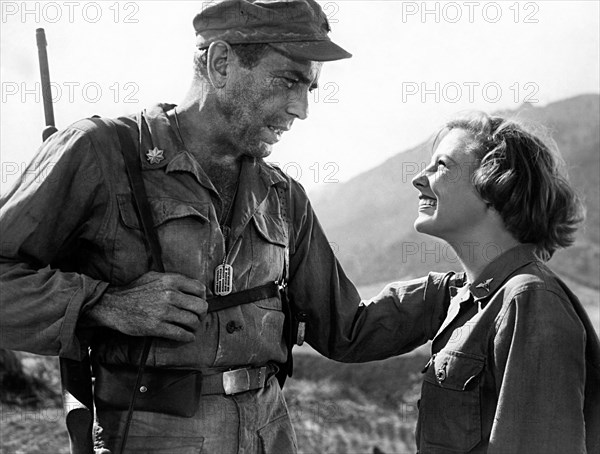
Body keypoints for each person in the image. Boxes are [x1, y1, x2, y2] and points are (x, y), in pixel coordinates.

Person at [0, 1, 459, 453]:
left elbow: (346, 328)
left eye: (310, 90)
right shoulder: (101, 154)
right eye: (288, 81)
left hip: (269, 437)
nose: (301, 109)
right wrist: (104, 304)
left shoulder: (284, 195)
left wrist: (463, 287)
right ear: (222, 63)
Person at [403, 112, 600, 453]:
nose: (419, 179)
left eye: (441, 166)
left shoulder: (530, 300)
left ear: (495, 184)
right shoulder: (474, 298)